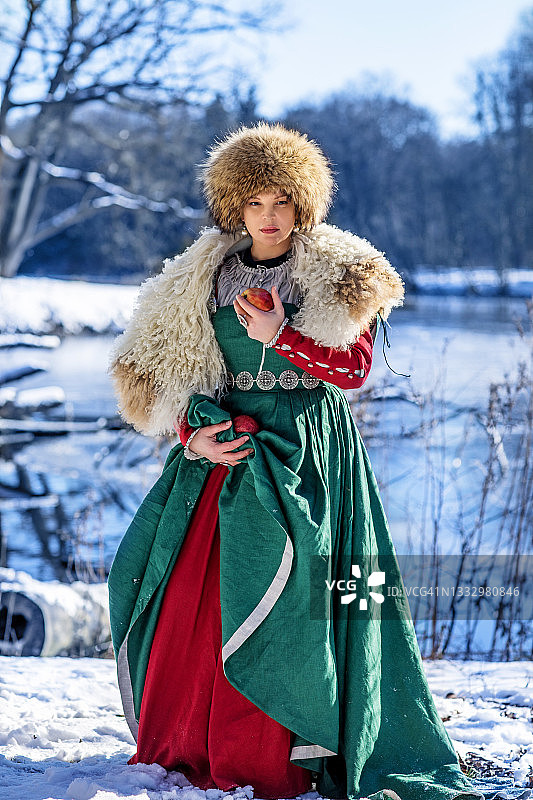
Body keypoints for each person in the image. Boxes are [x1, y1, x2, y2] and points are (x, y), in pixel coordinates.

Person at [107, 123, 491, 800]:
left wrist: (280, 335)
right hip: (229, 454)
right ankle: (196, 740)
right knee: (197, 598)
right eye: (254, 202)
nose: (269, 215)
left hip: (315, 455)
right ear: (233, 206)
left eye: (282, 200)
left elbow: (351, 373)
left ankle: (297, 747)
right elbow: (163, 375)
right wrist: (187, 437)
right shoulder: (197, 275)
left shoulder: (343, 271)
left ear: (304, 202)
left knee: (321, 597)